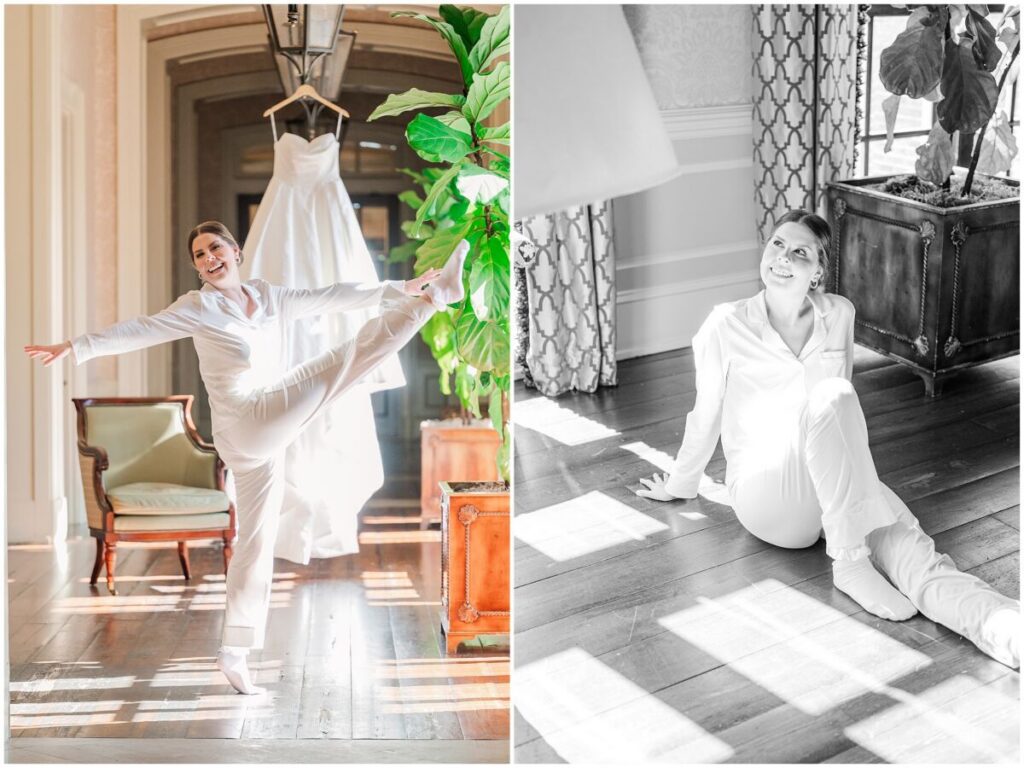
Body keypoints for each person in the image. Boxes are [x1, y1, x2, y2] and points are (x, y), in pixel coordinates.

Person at [25, 221, 470, 693]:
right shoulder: (198, 307)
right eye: (199, 255)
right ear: (197, 267)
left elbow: (329, 296)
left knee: (256, 541)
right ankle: (437, 298)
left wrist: (395, 287)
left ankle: (233, 651)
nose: (209, 258)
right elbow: (142, 330)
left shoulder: (267, 296)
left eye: (215, 248)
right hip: (245, 421)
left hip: (262, 429)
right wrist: (76, 347)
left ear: (235, 251)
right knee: (339, 364)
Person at [634, 210, 1019, 669]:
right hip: (766, 496)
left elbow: (841, 423)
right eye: (777, 244)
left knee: (918, 556)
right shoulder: (725, 324)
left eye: (800, 252)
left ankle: (1004, 630)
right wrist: (681, 483)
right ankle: (849, 560)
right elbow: (706, 413)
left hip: (830, 489)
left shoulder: (839, 314)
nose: (783, 257)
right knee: (833, 395)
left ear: (818, 271)